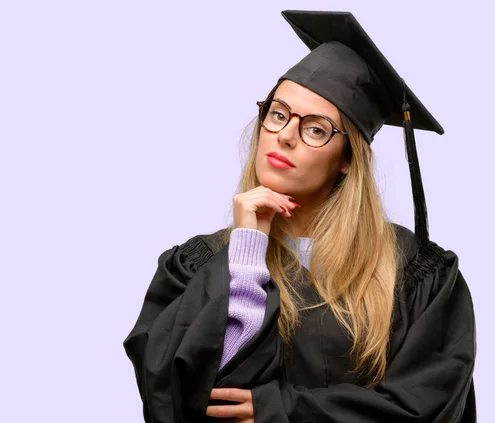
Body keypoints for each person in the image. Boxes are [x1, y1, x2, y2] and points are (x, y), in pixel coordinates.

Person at [123, 10, 477, 423]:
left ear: (347, 160)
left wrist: (284, 411)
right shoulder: (199, 264)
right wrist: (246, 256)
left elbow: (429, 407)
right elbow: (177, 396)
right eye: (278, 113)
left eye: (315, 128)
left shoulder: (415, 273)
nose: (285, 135)